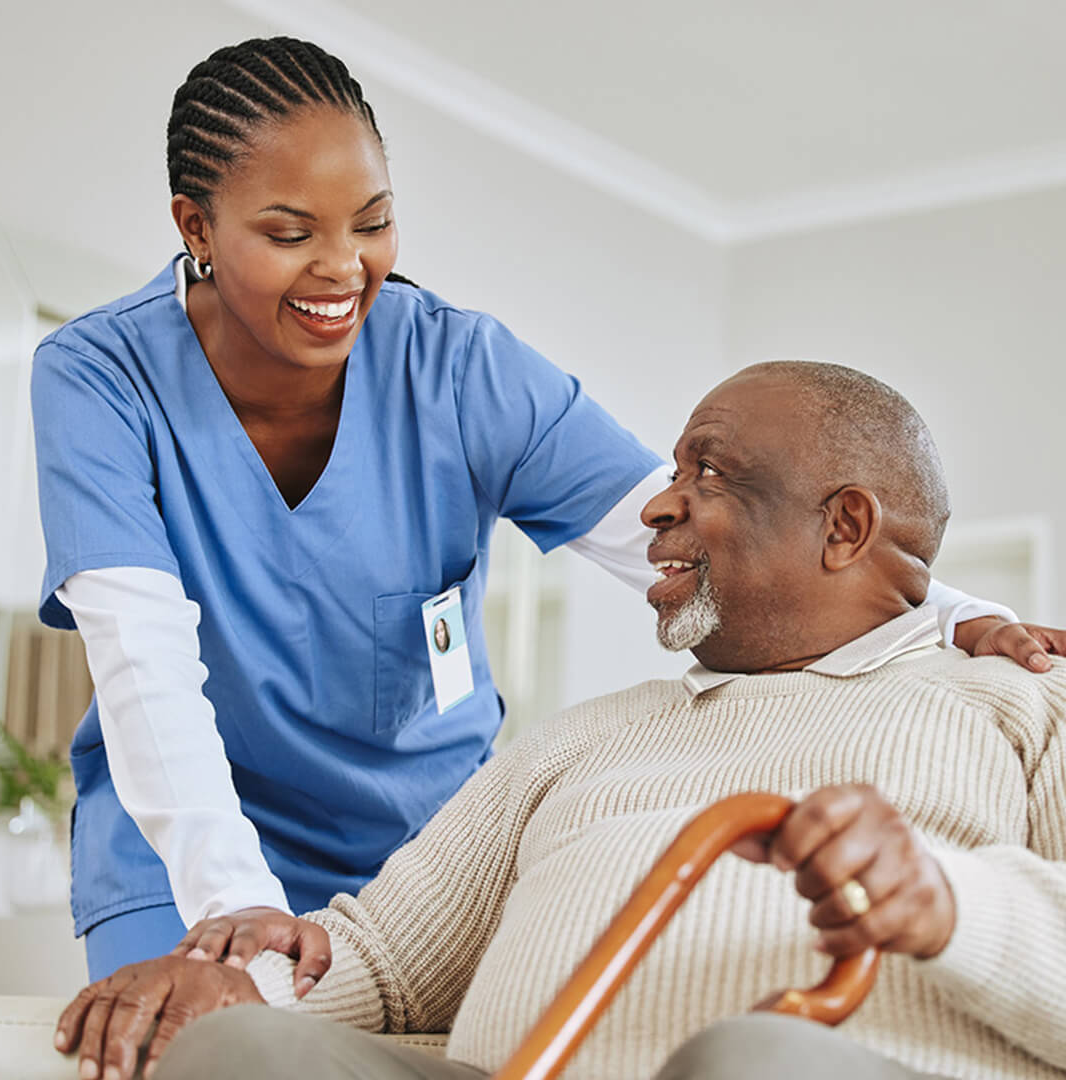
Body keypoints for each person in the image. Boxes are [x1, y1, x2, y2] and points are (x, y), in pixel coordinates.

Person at [31, 35, 1050, 981]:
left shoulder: (459, 369)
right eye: (291, 233)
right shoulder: (100, 378)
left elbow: (696, 528)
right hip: (185, 844)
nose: (344, 269)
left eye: (374, 223)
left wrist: (947, 615)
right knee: (193, 1040)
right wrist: (235, 903)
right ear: (195, 226)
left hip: (425, 856)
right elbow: (144, 660)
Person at [56, 362, 1066, 1080]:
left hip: (824, 1062)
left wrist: (953, 903)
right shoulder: (583, 736)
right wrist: (228, 990)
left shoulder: (1020, 702)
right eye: (671, 474)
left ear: (844, 527)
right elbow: (384, 961)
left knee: (760, 1061)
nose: (656, 509)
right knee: (235, 1053)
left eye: (706, 474)